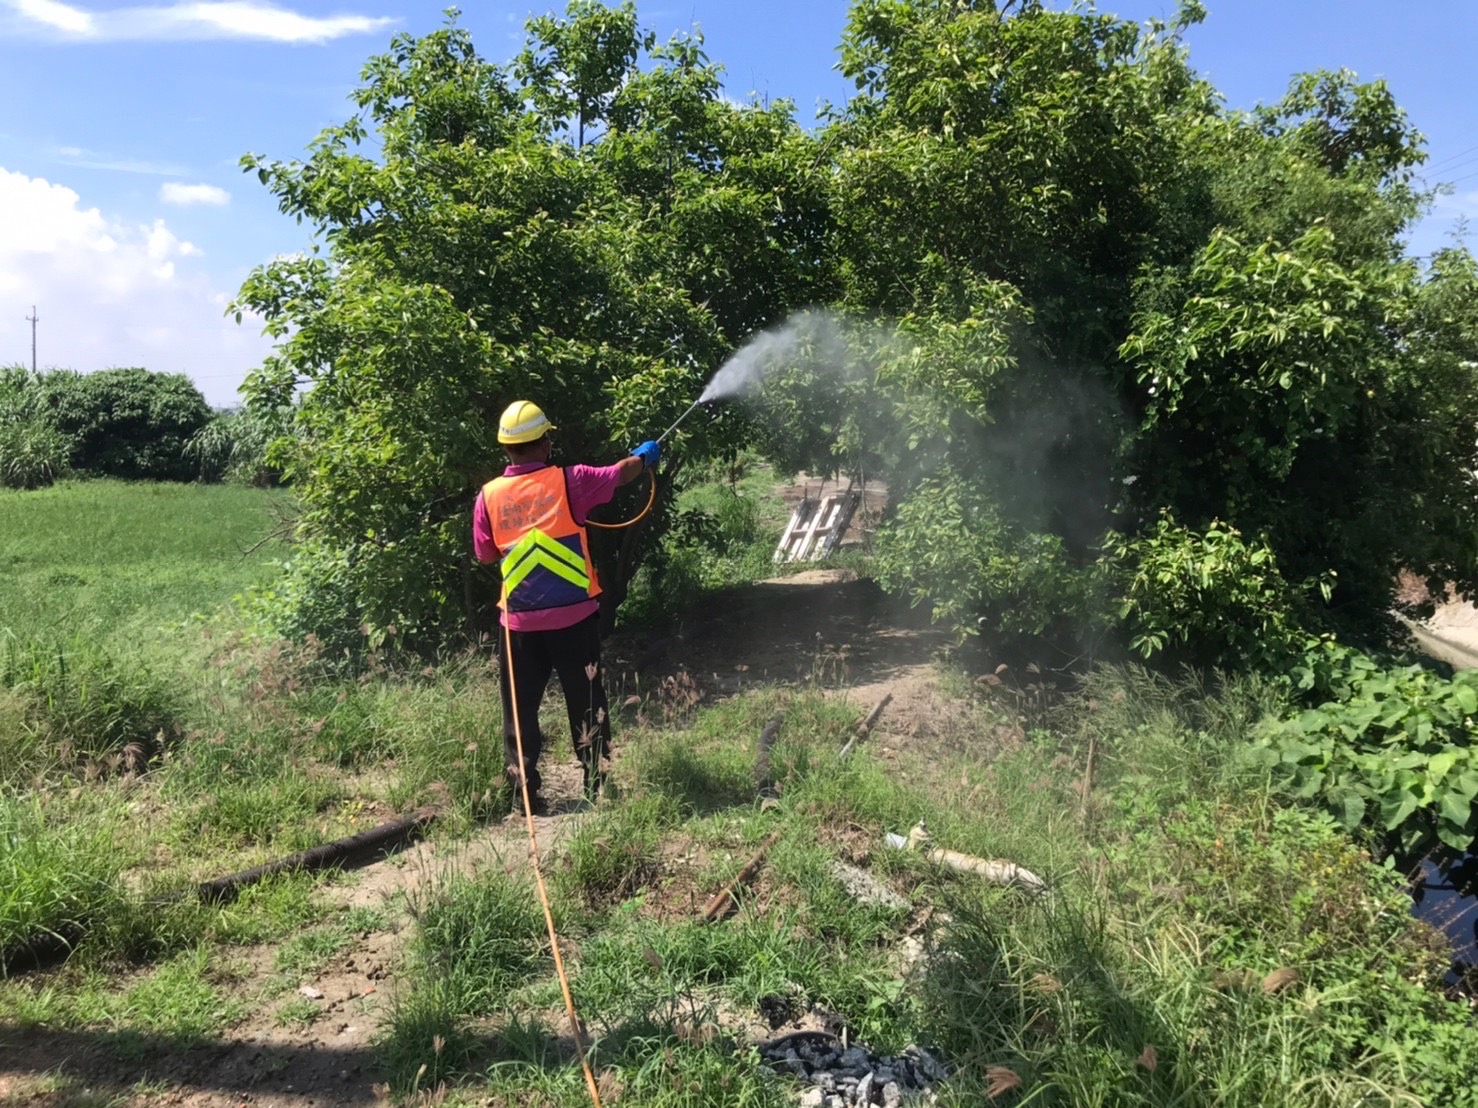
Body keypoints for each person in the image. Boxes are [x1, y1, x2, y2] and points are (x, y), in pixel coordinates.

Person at [473, 400, 660, 815]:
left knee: (519, 711)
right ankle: (597, 785)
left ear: (507, 448)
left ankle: (525, 795)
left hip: (517, 624)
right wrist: (644, 458)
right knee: (587, 702)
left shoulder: (487, 497)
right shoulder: (570, 481)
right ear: (544, 442)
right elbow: (619, 473)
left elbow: (485, 554)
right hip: (574, 620)